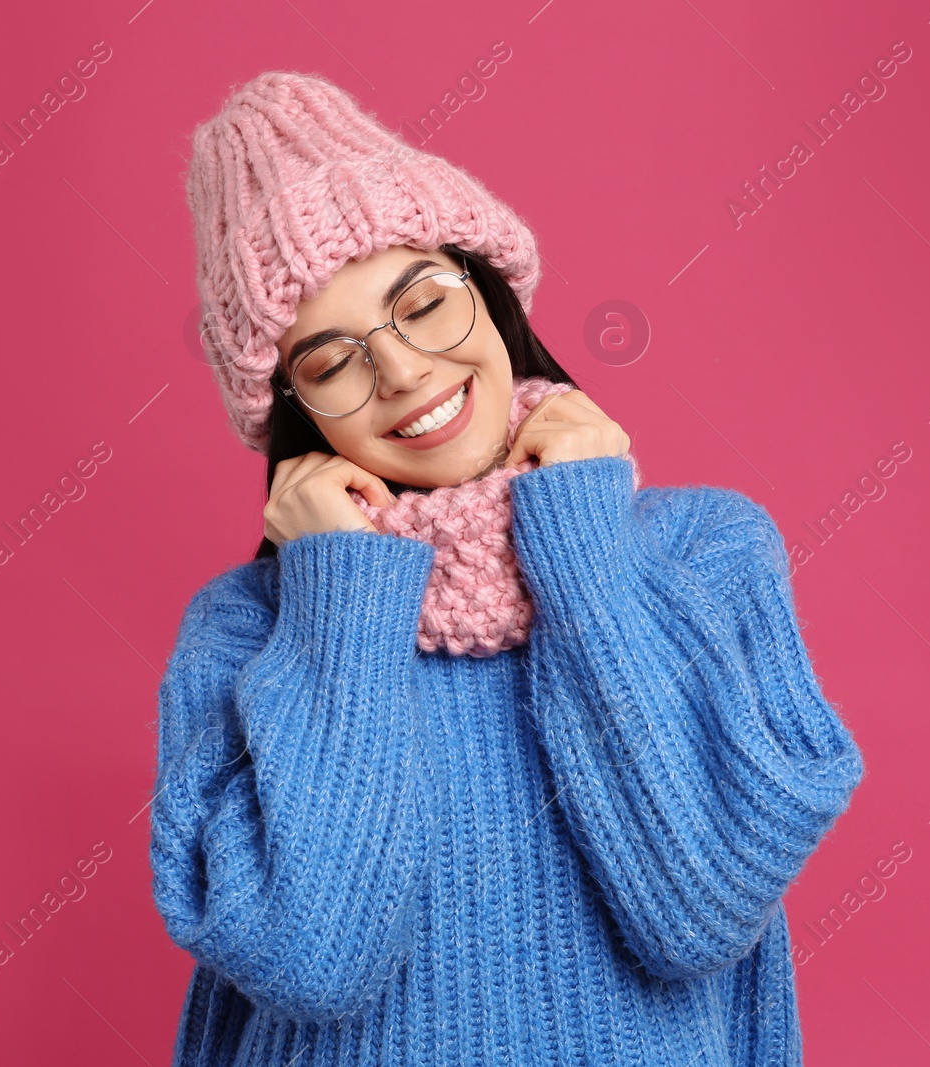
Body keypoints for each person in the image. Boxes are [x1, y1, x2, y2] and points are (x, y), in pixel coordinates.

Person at [150, 69, 866, 1066]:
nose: (400, 370)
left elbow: (696, 907)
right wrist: (340, 594)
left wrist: (578, 544)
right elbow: (317, 960)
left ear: (489, 295)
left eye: (423, 303)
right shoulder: (247, 629)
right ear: (297, 413)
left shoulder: (706, 552)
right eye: (330, 359)